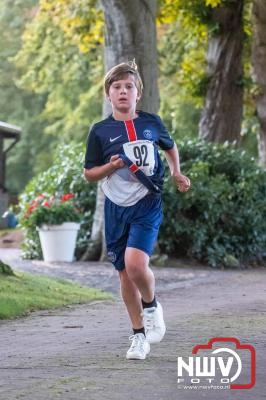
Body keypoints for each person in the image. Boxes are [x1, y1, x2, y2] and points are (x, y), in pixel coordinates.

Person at [84, 60, 190, 360]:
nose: (122, 92)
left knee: (135, 264)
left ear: (137, 93)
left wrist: (176, 172)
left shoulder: (151, 123)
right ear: (108, 94)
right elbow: (89, 173)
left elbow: (169, 147)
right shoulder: (100, 131)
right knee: (124, 276)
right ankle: (138, 336)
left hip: (147, 201)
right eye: (116, 87)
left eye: (128, 87)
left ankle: (152, 305)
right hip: (116, 206)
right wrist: (111, 166)